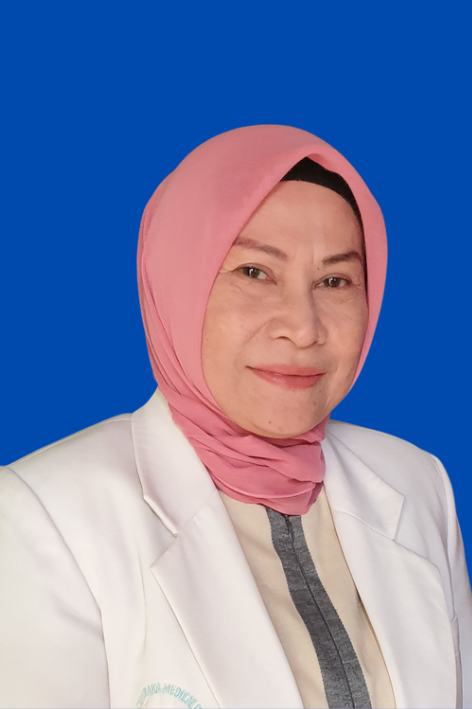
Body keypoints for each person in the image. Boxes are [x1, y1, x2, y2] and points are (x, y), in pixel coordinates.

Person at [0, 124, 470, 709]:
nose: (302, 327)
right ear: (177, 282)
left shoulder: (419, 484)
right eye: (254, 273)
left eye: (335, 280)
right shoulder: (44, 517)